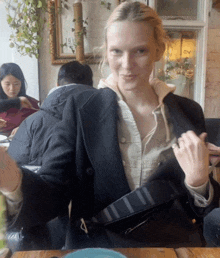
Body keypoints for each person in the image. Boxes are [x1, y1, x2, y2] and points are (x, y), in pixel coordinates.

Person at [0, 2, 220, 251]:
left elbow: (201, 210)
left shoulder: (188, 112)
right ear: (106, 52)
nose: (127, 65)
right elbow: (53, 193)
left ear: (159, 50)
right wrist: (13, 180)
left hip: (169, 248)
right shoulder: (81, 110)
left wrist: (199, 182)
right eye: (117, 51)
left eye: (140, 51)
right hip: (99, 248)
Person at [6, 61, 93, 252]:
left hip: (20, 226)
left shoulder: (31, 120)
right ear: (91, 85)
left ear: (57, 85)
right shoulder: (96, 122)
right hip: (81, 236)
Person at [0, 63, 39, 136]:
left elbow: (42, 125)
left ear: (22, 83)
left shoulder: (30, 103)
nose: (12, 89)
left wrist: (25, 128)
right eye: (7, 84)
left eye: (16, 84)